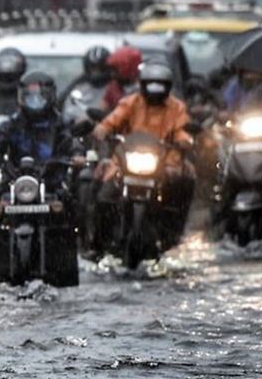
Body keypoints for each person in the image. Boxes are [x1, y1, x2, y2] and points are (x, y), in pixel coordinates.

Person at [94, 62, 196, 242]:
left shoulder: (176, 107)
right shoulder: (130, 102)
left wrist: (184, 140)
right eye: (151, 85)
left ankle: (174, 232)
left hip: (165, 162)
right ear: (142, 85)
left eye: (159, 85)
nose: (155, 90)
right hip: (126, 161)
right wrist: (102, 130)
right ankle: (99, 242)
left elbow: (182, 129)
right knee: (104, 196)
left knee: (187, 179)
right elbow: (111, 122)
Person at [62, 45, 113, 118]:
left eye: (99, 69)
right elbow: (67, 109)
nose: (96, 73)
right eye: (92, 69)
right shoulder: (79, 86)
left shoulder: (116, 87)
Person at [104, 45, 143, 110]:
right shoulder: (113, 87)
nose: (112, 74)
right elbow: (104, 106)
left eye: (115, 70)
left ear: (127, 68)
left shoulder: (144, 88)